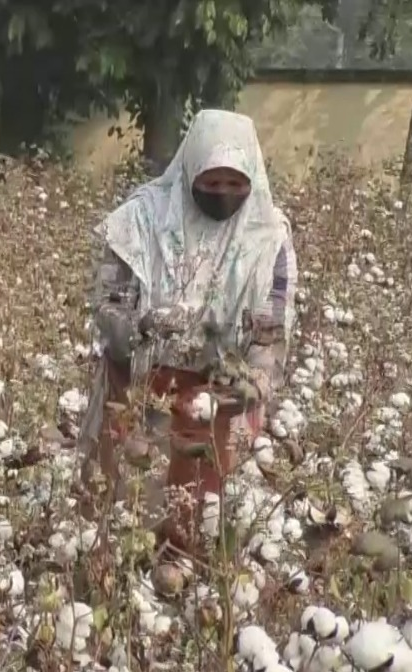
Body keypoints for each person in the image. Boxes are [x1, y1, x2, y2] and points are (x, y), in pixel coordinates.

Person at [78, 109, 297, 554]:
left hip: (216, 403)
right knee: (120, 519)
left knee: (198, 531)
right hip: (138, 390)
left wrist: (250, 383)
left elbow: (271, 327)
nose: (223, 193)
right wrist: (142, 327)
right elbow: (108, 304)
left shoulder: (268, 236)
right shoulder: (140, 220)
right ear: (191, 169)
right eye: (212, 182)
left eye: (235, 183)